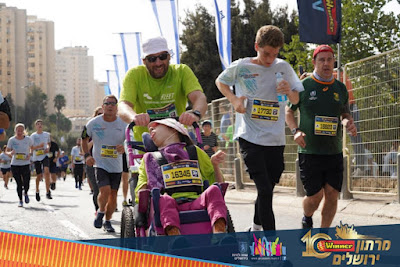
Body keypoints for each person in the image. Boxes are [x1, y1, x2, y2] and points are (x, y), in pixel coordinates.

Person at [215, 25, 304, 232]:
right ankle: (272, 249)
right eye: (266, 53)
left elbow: (296, 98)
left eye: (275, 54)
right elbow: (220, 81)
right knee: (264, 189)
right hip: (249, 136)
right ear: (257, 46)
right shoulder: (242, 67)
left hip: (275, 139)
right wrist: (234, 100)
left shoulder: (283, 67)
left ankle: (255, 229)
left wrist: (289, 91)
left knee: (267, 190)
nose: (270, 59)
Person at [285, 44, 357, 229]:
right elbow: (288, 112)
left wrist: (348, 123)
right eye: (321, 60)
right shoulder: (303, 86)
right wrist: (295, 131)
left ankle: (323, 235)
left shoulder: (340, 89)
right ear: (314, 62)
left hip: (333, 152)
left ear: (334, 61)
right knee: (315, 197)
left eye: (329, 59)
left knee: (332, 194)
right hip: (309, 151)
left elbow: (344, 114)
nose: (326, 63)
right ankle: (307, 217)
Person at [135, 118, 227, 235]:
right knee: (164, 199)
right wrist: (145, 188)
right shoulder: (149, 158)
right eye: (150, 128)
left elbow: (218, 185)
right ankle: (175, 237)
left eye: (156, 126)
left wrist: (215, 165)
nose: (151, 129)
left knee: (214, 190)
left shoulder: (195, 151)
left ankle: (219, 233)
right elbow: (140, 193)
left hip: (197, 201)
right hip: (169, 204)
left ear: (173, 129)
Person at [118, 36, 208, 138]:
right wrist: (134, 117)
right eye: (152, 59)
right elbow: (123, 105)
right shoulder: (134, 75)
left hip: (177, 142)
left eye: (162, 56)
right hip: (146, 145)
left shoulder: (182, 71)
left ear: (169, 56)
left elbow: (199, 97)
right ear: (144, 61)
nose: (158, 63)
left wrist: (195, 114)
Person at [82, 95, 127, 232]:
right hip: (100, 164)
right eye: (107, 103)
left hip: (116, 165)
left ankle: (107, 221)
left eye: (113, 104)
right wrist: (87, 155)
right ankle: (101, 211)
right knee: (105, 190)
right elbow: (83, 139)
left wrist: (124, 147)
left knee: (113, 195)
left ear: (116, 107)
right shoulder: (93, 123)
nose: (110, 106)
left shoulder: (123, 124)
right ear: (103, 106)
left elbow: (129, 141)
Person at [6, 123, 33, 207]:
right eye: (18, 130)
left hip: (25, 163)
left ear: (24, 131)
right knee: (19, 183)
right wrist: (11, 152)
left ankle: (26, 192)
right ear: (15, 131)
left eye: (21, 130)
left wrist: (30, 154)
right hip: (15, 164)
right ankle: (20, 200)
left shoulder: (28, 139)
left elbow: (32, 148)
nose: (20, 132)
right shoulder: (12, 140)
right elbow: (7, 151)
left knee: (26, 182)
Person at [84, 106, 103, 213]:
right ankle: (98, 210)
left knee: (107, 189)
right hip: (93, 162)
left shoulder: (110, 128)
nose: (101, 116)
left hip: (107, 162)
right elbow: (85, 147)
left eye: (102, 114)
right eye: (98, 114)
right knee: (97, 189)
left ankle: (104, 209)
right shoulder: (90, 128)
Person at [30, 119, 52, 201]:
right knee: (38, 175)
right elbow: (31, 147)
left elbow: (49, 144)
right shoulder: (33, 136)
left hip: (45, 155)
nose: (40, 125)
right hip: (36, 156)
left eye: (41, 124)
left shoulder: (46, 134)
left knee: (47, 171)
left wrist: (48, 148)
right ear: (35, 126)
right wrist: (39, 146)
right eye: (38, 124)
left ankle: (47, 191)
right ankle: (37, 190)